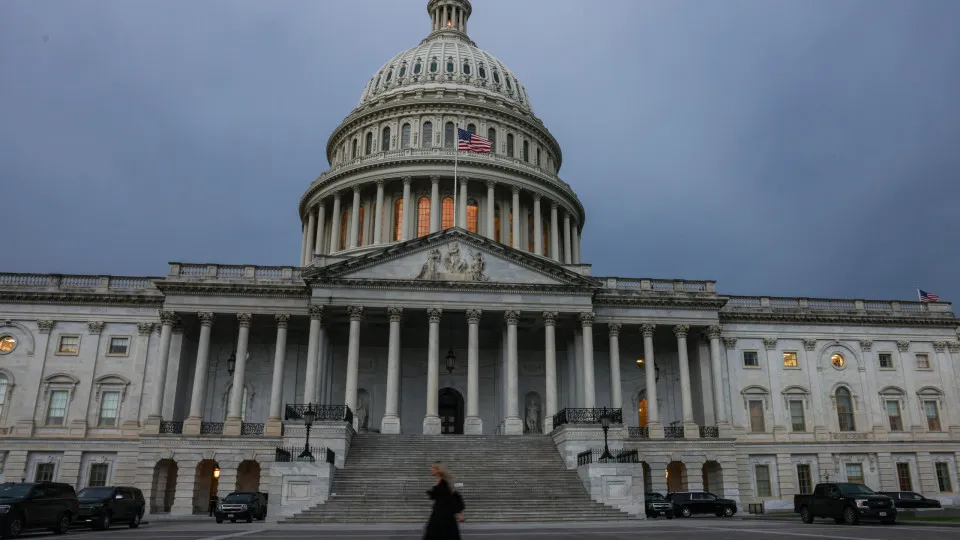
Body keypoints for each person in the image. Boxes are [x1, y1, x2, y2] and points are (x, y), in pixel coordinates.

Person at [423, 462, 464, 540]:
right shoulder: (439, 481)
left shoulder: (444, 483)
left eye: (432, 468)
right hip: (438, 513)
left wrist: (458, 512)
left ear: (437, 470)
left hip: (443, 515)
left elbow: (450, 497)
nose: (431, 469)